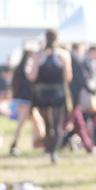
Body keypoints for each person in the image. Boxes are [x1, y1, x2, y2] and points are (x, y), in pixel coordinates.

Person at [31, 30, 70, 163]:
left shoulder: (38, 55)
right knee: (58, 125)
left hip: (42, 94)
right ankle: (54, 152)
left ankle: (49, 150)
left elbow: (32, 76)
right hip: (57, 93)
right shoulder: (63, 54)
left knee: (47, 125)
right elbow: (68, 77)